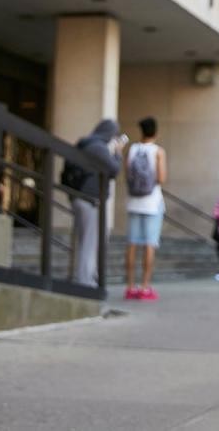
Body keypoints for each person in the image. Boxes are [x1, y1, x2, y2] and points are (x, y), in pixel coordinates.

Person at [67, 118, 122, 288]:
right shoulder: (97, 147)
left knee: (87, 240)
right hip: (89, 198)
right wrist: (118, 153)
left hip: (82, 197)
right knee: (90, 242)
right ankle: (86, 282)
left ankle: (88, 277)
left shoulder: (86, 143)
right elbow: (114, 169)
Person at [124, 117, 167, 301]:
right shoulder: (158, 151)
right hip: (152, 202)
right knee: (149, 244)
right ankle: (144, 287)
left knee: (132, 244)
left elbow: (127, 174)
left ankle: (130, 286)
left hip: (134, 202)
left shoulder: (133, 149)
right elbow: (162, 178)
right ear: (156, 132)